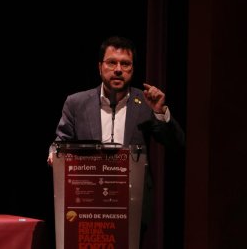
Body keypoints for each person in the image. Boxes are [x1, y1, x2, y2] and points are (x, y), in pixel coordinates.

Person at [47, 36, 185, 245]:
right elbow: (60, 141)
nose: (118, 69)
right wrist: (53, 153)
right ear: (100, 67)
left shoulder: (146, 103)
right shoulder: (76, 103)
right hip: (87, 204)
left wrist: (160, 112)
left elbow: (176, 144)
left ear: (132, 69)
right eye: (112, 62)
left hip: (132, 205)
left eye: (125, 64)